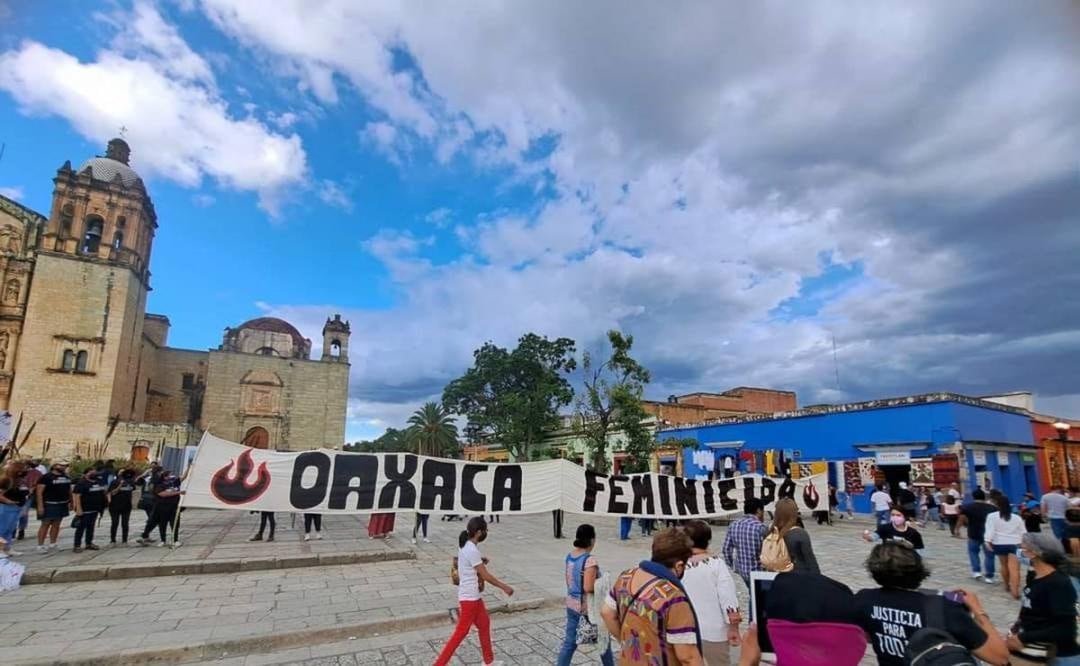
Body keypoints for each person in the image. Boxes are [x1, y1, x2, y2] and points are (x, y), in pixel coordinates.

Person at [853, 541, 1009, 666]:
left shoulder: (864, 599)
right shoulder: (944, 606)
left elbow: (866, 636)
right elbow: (999, 657)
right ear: (918, 568)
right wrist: (978, 610)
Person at [601, 528, 704, 665]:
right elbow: (688, 657)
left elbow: (606, 612)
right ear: (679, 565)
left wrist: (625, 641)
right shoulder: (674, 598)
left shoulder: (626, 577)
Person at [434, 517, 514, 666]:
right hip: (469, 598)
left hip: (473, 597)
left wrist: (481, 561)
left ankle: (489, 661)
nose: (486, 533)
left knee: (484, 624)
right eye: (485, 531)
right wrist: (504, 587)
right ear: (478, 533)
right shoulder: (471, 549)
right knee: (460, 633)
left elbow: (468, 563)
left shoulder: (466, 545)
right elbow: (486, 576)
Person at [1007, 532, 1080, 665]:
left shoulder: (1057, 583)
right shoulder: (1037, 577)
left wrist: (1023, 638)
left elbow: (1066, 628)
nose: (1019, 552)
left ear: (1033, 553)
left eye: (1022, 548)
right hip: (1042, 650)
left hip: (1061, 655)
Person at [682, 520, 740, 665]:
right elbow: (728, 597)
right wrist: (733, 627)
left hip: (684, 631)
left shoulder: (679, 566)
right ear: (708, 540)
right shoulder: (716, 564)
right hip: (714, 632)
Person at [557, 524, 614, 666]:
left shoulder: (570, 556)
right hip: (588, 608)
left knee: (569, 643)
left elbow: (568, 580)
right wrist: (603, 584)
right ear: (592, 540)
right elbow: (588, 587)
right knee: (603, 640)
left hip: (571, 603)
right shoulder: (590, 561)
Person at [985, 494, 1026, 599]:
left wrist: (987, 542)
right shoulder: (1017, 517)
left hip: (999, 543)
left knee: (1003, 565)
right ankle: (1015, 591)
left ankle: (1006, 585)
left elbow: (990, 530)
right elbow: (1023, 532)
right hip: (1015, 543)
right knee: (1015, 569)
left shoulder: (992, 516)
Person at [722, 498, 768, 589]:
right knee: (759, 598)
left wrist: (733, 566)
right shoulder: (761, 528)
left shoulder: (734, 525)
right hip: (759, 572)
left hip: (743, 571)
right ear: (759, 510)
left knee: (753, 593)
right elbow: (768, 553)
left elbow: (726, 550)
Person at [767, 497, 819, 573]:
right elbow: (810, 560)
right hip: (798, 574)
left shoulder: (769, 530)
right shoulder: (799, 534)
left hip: (776, 574)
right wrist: (818, 579)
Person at [958, 489, 997, 584]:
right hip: (988, 534)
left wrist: (957, 529)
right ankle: (989, 576)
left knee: (973, 553)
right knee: (989, 556)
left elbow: (962, 519)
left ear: (973, 497)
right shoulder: (992, 508)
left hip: (973, 533)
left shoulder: (967, 507)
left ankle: (976, 571)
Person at [136, 469, 182, 547]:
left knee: (161, 521)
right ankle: (153, 537)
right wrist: (178, 492)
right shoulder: (156, 483)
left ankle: (145, 535)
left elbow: (182, 478)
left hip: (169, 506)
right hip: (158, 505)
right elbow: (162, 494)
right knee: (156, 521)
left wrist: (189, 467)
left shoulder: (171, 482)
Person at [35, 460, 72, 552]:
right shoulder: (46, 477)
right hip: (49, 503)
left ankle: (53, 543)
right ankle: (40, 545)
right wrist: (40, 505)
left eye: (65, 466)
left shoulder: (66, 477)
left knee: (57, 524)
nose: (64, 467)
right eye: (61, 465)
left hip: (62, 502)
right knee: (46, 523)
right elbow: (39, 492)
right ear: (55, 465)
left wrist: (71, 502)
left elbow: (69, 490)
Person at [72, 466, 109, 552]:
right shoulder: (82, 483)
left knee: (91, 527)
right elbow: (77, 496)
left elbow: (103, 492)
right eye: (91, 472)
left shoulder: (98, 482)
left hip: (95, 508)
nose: (93, 473)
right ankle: (77, 545)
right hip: (85, 509)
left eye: (94, 472)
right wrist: (78, 508)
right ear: (86, 474)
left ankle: (89, 543)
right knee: (81, 527)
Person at [0, 462, 27, 556]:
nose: (25, 471)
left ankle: (8, 547)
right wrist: (8, 501)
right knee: (3, 529)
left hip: (17, 507)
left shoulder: (19, 480)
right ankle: (1, 549)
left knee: (10, 529)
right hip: (7, 507)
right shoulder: (6, 480)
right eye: (23, 469)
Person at [107, 468, 136, 545]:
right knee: (115, 523)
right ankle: (113, 540)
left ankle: (125, 540)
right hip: (115, 506)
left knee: (125, 523)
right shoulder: (114, 482)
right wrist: (120, 485)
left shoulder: (130, 482)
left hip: (126, 506)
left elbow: (133, 489)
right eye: (121, 472)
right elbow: (112, 493)